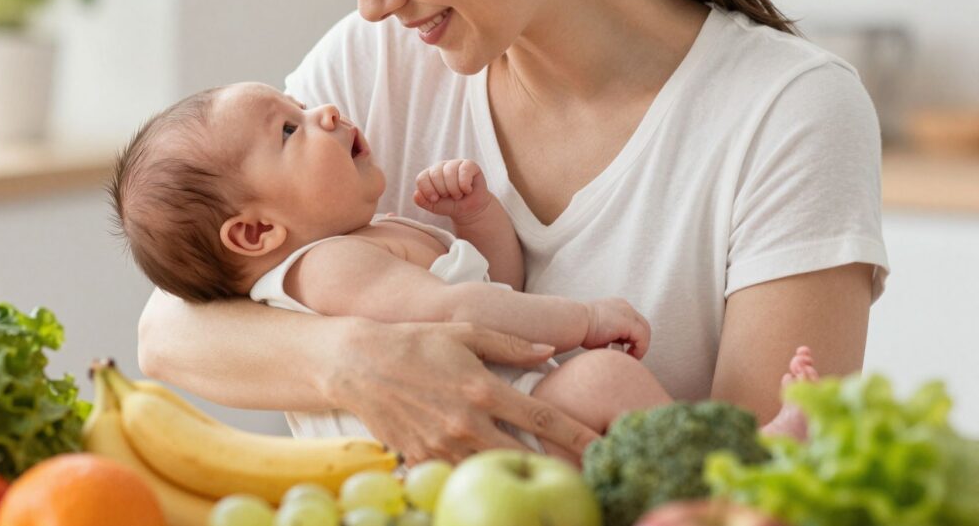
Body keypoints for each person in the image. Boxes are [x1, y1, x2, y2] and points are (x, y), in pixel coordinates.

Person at [135, 0, 888, 465]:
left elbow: (752, 488)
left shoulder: (789, 113)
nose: (369, 4)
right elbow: (168, 330)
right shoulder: (374, 65)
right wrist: (357, 362)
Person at [112, 81, 819, 452]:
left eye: (298, 105)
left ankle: (727, 475)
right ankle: (742, 473)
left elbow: (492, 291)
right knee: (603, 374)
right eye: (290, 129)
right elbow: (461, 313)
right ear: (258, 229)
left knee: (606, 396)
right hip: (470, 450)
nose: (322, 110)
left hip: (509, 426)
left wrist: (475, 219)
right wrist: (585, 317)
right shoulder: (325, 270)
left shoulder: (370, 234)